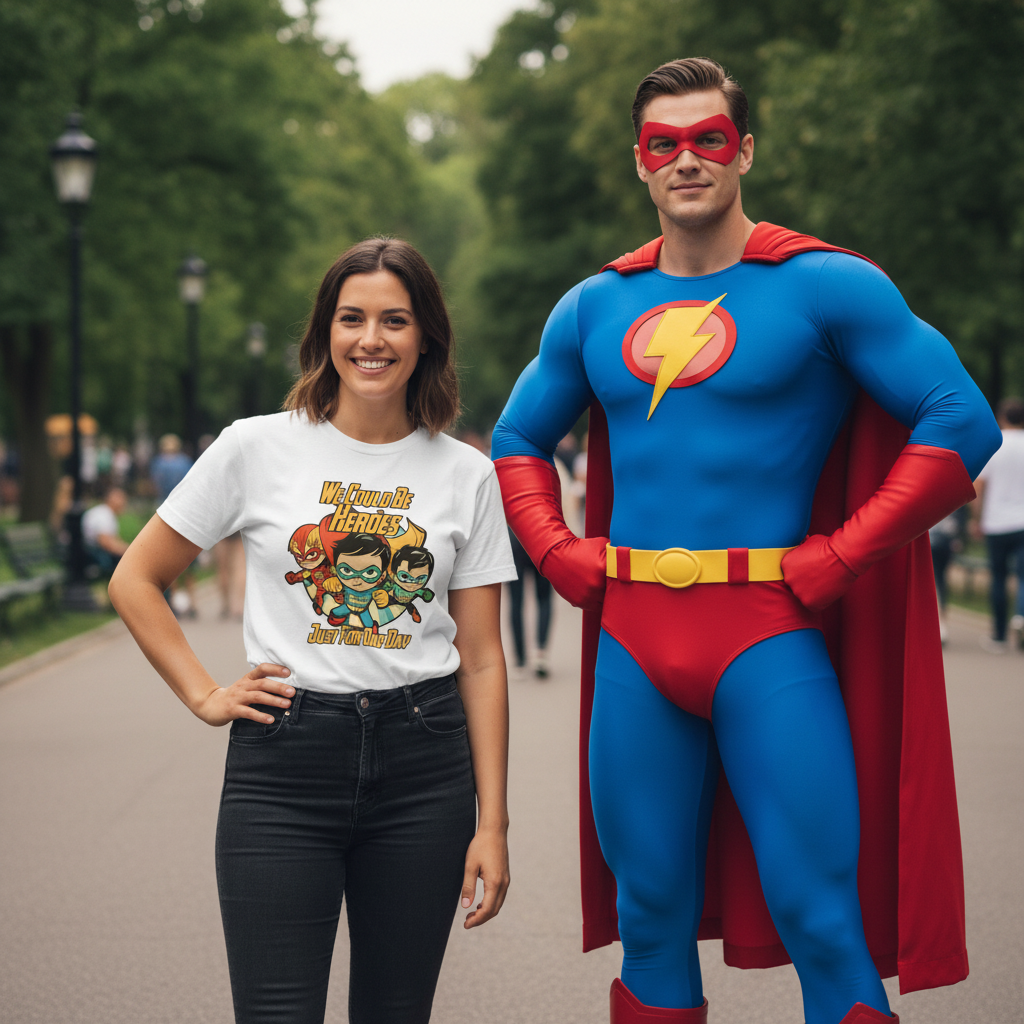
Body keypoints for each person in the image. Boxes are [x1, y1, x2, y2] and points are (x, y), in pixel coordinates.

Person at [490, 58, 1001, 1024]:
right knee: (650, 914)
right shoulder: (594, 305)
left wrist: (845, 552)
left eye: (708, 139)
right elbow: (517, 437)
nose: (687, 159)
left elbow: (956, 419)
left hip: (769, 631)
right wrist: (557, 552)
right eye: (664, 144)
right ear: (639, 163)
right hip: (638, 636)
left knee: (819, 917)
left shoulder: (824, 286)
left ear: (745, 150)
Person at [110, 237, 515, 1024]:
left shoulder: (466, 473)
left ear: (425, 335)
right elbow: (135, 578)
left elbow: (485, 659)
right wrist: (202, 694)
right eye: (352, 318)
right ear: (325, 333)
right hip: (283, 767)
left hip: (424, 768)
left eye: (394, 320)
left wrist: (492, 824)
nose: (372, 339)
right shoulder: (256, 446)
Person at [971, 396, 1024, 651]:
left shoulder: (994, 444)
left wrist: (976, 519)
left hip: (997, 523)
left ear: (1002, 418)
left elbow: (979, 485)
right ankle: (1021, 618)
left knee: (999, 579)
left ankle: (1000, 636)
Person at [150, 433, 197, 616]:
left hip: (166, 512)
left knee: (171, 561)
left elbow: (155, 486)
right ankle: (193, 604)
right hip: (186, 512)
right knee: (189, 564)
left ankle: (174, 603)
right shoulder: (185, 462)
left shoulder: (158, 463)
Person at [81, 485, 129, 576]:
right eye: (121, 498)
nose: (124, 502)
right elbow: (105, 543)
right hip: (92, 553)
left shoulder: (105, 513)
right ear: (111, 499)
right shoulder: (105, 515)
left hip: (90, 549)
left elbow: (114, 540)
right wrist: (129, 551)